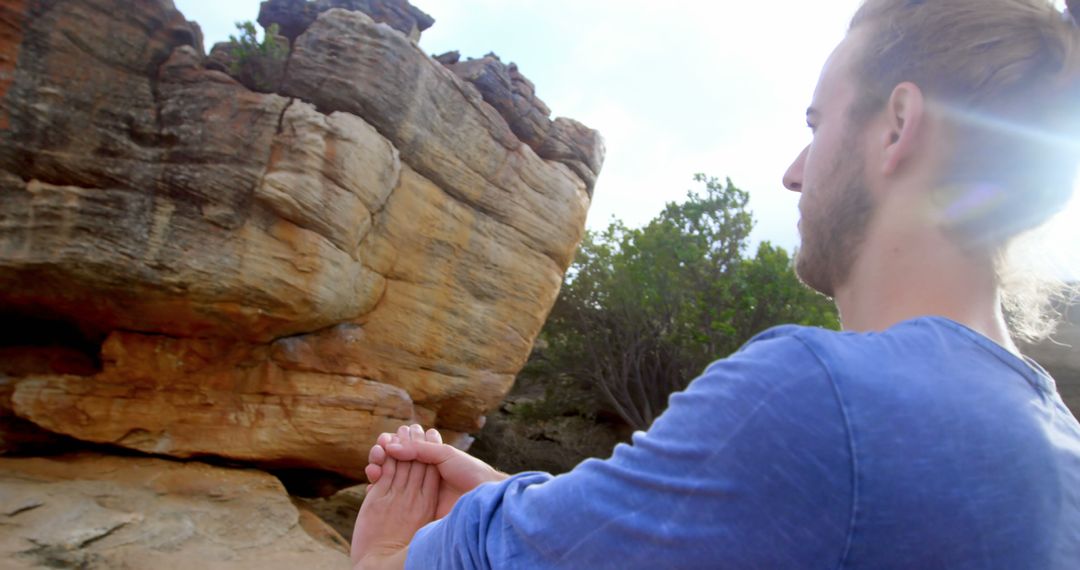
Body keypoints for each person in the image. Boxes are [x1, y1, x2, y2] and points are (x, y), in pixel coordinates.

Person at [351, 0, 1080, 568]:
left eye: (817, 123)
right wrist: (513, 500)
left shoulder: (821, 395)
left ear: (897, 126)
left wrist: (390, 555)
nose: (794, 172)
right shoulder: (1055, 446)